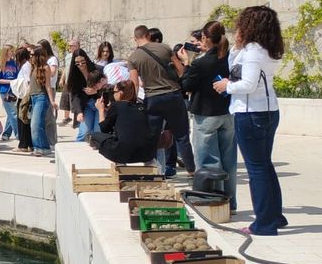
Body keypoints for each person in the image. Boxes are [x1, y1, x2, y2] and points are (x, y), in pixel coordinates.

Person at [213, 6, 286, 235]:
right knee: (264, 165)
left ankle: (264, 224)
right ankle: (274, 216)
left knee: (257, 169)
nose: (238, 26)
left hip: (251, 113)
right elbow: (235, 65)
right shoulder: (263, 48)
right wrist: (236, 45)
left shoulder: (254, 50)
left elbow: (248, 84)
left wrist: (227, 86)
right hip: (265, 111)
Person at [173, 22, 237, 211]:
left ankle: (214, 203)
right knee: (229, 162)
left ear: (204, 38)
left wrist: (186, 63)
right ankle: (230, 203)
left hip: (206, 115)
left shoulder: (200, 63)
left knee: (209, 162)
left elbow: (185, 86)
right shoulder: (230, 58)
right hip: (227, 113)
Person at [127, 24, 194, 177]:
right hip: (173, 95)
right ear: (148, 35)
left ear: (135, 38)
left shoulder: (133, 58)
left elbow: (134, 83)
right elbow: (180, 70)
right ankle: (192, 171)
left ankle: (153, 173)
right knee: (182, 136)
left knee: (152, 137)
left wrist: (132, 102)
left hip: (152, 99)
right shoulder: (164, 48)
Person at [89, 80, 157, 164]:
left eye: (114, 92)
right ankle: (150, 164)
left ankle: (120, 163)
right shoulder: (142, 106)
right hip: (147, 154)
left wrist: (101, 110)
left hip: (123, 154)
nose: (113, 94)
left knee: (94, 136)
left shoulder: (117, 106)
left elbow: (104, 129)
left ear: (120, 93)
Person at [66, 49, 105, 143]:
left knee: (97, 131)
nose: (80, 65)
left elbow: (106, 87)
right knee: (84, 132)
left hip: (100, 104)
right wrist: (79, 112)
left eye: (83, 62)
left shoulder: (98, 69)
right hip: (86, 105)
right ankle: (75, 155)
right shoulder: (74, 75)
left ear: (87, 59)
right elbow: (75, 95)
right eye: (77, 63)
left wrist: (96, 91)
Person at [27, 47, 54, 156]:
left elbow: (48, 85)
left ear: (38, 56)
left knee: (36, 124)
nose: (31, 57)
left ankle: (42, 148)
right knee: (36, 124)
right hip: (33, 97)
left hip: (41, 97)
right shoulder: (34, 67)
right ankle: (39, 147)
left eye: (32, 55)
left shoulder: (45, 67)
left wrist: (52, 100)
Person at [0, 44, 19, 141]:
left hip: (15, 91)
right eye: (11, 51)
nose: (13, 53)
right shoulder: (0, 64)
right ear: (6, 52)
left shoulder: (15, 63)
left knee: (11, 113)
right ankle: (18, 135)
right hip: (5, 91)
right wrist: (11, 82)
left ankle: (6, 134)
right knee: (13, 113)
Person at [59, 39, 79, 125]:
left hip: (75, 82)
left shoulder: (79, 56)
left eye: (72, 45)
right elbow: (65, 68)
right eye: (69, 45)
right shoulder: (68, 56)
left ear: (77, 46)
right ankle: (66, 117)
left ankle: (76, 120)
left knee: (74, 101)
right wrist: (62, 78)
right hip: (67, 82)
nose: (69, 47)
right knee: (65, 99)